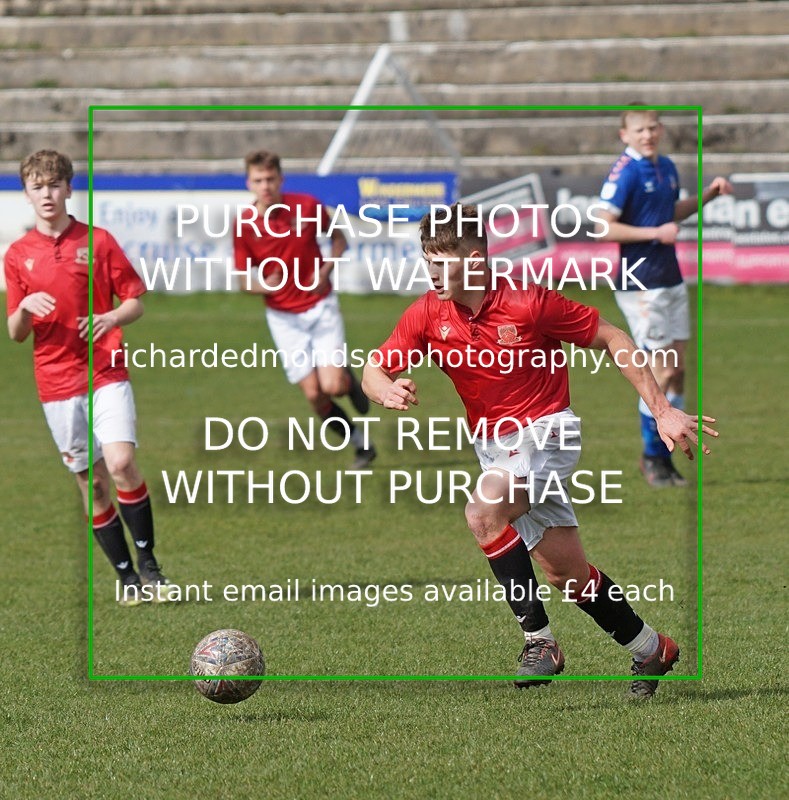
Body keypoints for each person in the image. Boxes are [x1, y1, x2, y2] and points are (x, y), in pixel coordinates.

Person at [362, 203, 717, 698]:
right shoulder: (426, 314)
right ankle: (651, 648)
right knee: (567, 575)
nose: (434, 272)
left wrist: (661, 410)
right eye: (428, 260)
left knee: (482, 512)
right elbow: (373, 368)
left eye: (445, 260)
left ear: (478, 259)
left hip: (547, 432)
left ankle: (540, 642)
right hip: (496, 449)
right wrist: (385, 390)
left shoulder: (528, 303)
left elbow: (612, 336)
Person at [4, 149, 175, 606]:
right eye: (38, 186)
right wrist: (22, 308)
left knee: (119, 463)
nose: (47, 194)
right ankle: (126, 579)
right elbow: (15, 334)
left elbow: (135, 299)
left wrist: (111, 316)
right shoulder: (18, 255)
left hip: (104, 369)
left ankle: (150, 566)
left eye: (54, 185)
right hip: (56, 382)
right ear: (26, 193)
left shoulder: (97, 241)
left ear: (69, 188)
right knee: (92, 482)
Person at [595, 105, 732, 487]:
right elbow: (603, 227)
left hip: (669, 278)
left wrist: (709, 196)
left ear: (661, 129)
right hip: (641, 285)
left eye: (653, 127)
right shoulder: (625, 171)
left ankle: (667, 455)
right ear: (625, 135)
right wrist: (655, 233)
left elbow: (669, 212)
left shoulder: (666, 166)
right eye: (639, 130)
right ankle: (654, 458)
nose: (648, 135)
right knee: (663, 370)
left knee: (679, 370)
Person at [233, 150, 376, 469]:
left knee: (332, 386)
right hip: (283, 318)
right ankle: (361, 445)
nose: (265, 185)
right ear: (249, 184)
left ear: (281, 179)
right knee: (314, 396)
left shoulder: (307, 207)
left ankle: (347, 381)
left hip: (320, 306)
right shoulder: (244, 224)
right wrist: (265, 286)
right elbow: (244, 280)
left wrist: (325, 271)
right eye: (258, 180)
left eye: (270, 179)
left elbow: (339, 239)